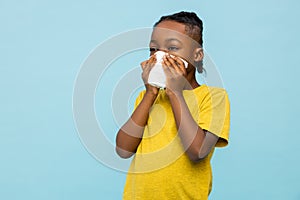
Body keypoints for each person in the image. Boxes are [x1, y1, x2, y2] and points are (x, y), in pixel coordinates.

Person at [115, 11, 230, 200]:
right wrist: (151, 93)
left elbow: (198, 152)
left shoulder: (214, 98)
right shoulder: (148, 97)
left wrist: (175, 92)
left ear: (197, 55)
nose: (161, 56)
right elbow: (123, 149)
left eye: (173, 48)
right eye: (154, 50)